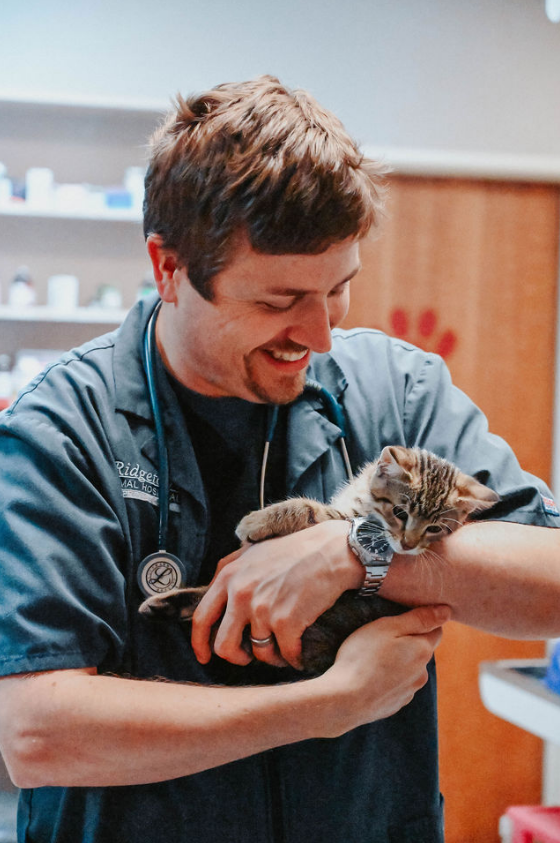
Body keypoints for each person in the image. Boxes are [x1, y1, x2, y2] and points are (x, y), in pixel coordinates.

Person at [0, 75, 558, 843]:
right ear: (169, 268)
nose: (321, 334)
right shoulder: (66, 429)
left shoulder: (395, 391)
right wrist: (326, 705)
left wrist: (359, 551)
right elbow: (36, 731)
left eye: (339, 288)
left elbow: (551, 582)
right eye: (277, 300)